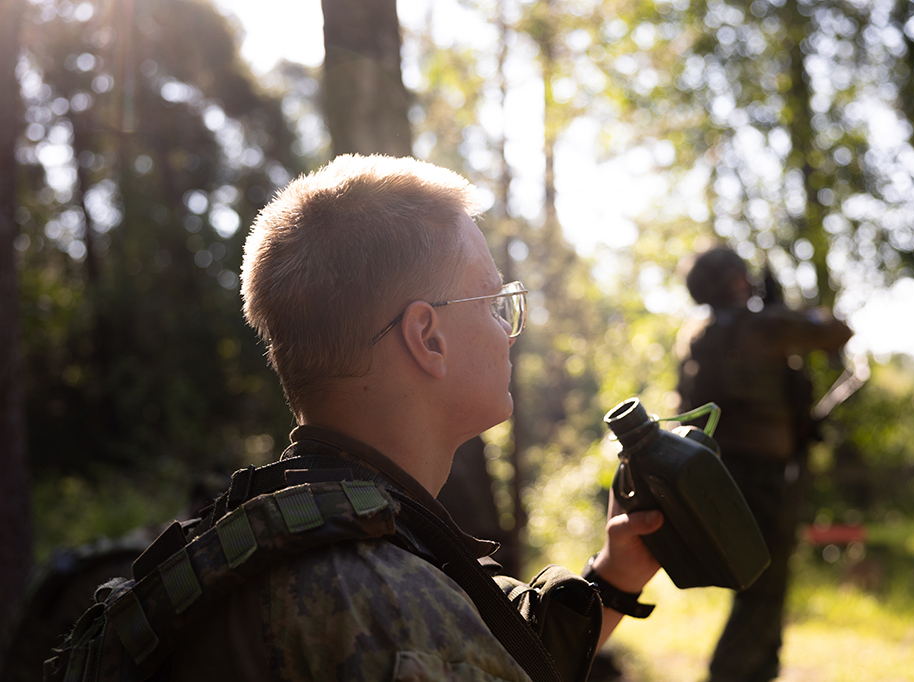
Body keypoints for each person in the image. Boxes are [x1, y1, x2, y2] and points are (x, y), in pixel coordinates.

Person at [162, 154, 664, 681]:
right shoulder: (397, 612)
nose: (507, 331)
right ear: (427, 337)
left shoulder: (270, 534)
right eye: (492, 301)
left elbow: (507, 648)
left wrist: (616, 574)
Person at [675, 246, 852, 682]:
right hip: (768, 474)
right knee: (764, 586)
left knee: (762, 581)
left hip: (721, 472)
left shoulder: (697, 336)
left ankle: (759, 671)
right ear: (733, 280)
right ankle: (729, 673)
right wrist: (785, 308)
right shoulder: (766, 325)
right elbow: (837, 331)